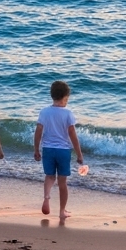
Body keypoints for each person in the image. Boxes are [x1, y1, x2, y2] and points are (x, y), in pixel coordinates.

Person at [33, 80, 84, 220]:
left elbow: (38, 131)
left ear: (52, 96)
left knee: (49, 177)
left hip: (48, 149)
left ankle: (47, 197)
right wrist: (79, 154)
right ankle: (62, 211)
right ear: (65, 97)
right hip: (63, 151)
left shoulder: (44, 112)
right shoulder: (68, 114)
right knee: (62, 182)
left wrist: (36, 149)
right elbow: (73, 135)